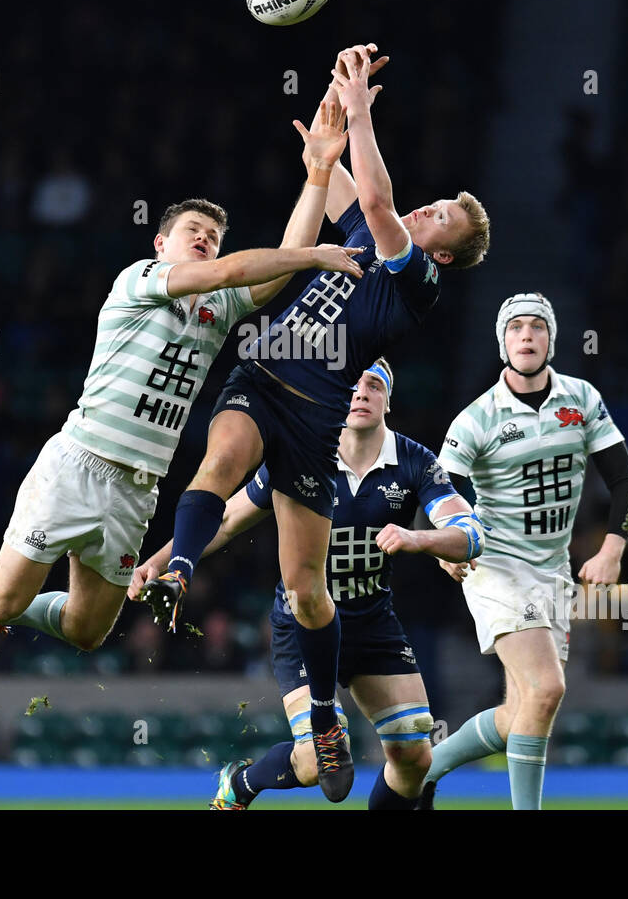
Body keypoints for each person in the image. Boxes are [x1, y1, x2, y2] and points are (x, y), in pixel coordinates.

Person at [0, 101, 364, 669]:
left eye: (213, 237)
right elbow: (235, 269)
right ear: (161, 245)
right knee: (2, 595)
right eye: (194, 231)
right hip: (78, 465)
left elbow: (275, 272)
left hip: (137, 489)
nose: (206, 242)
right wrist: (314, 253)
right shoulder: (139, 281)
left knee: (87, 629)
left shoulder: (215, 309)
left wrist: (317, 175)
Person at [138, 43, 491, 801]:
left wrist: (362, 107)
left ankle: (322, 719)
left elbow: (374, 204)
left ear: (447, 255)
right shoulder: (373, 229)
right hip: (264, 370)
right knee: (218, 463)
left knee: (306, 590)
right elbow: (336, 198)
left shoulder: (418, 280)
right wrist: (328, 150)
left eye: (442, 218)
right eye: (433, 203)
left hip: (313, 420)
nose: (427, 211)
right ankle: (179, 570)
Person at [132, 360, 482, 809]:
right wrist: (161, 562)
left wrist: (420, 538)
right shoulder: (298, 453)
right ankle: (240, 784)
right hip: (302, 624)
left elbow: (471, 535)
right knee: (318, 767)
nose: (360, 394)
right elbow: (225, 518)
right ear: (334, 395)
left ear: (388, 401)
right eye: (352, 385)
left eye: (374, 386)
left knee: (415, 757)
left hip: (371, 622)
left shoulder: (414, 461)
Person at [420, 292, 628, 810]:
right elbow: (433, 495)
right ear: (503, 342)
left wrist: (612, 548)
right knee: (547, 689)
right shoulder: (476, 419)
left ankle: (423, 771)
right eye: (516, 327)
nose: (527, 335)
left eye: (537, 327)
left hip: (552, 571)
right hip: (494, 565)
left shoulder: (582, 399)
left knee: (517, 713)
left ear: (550, 339)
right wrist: (443, 549)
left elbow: (625, 483)